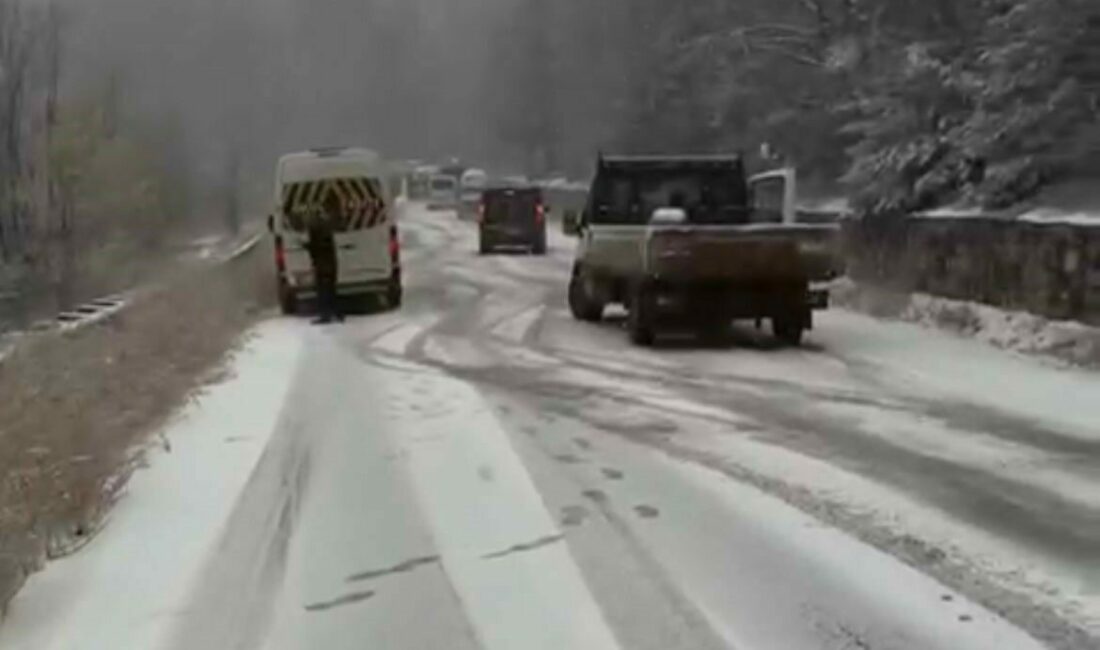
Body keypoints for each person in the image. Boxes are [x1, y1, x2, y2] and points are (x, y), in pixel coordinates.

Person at [306, 194, 344, 324]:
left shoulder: (318, 227)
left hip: (323, 263)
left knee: (323, 289)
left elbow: (316, 247)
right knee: (331, 288)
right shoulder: (328, 224)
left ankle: (326, 314)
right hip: (330, 262)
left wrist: (309, 247)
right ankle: (337, 313)